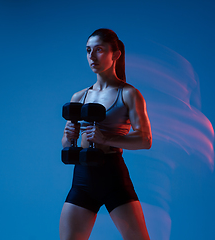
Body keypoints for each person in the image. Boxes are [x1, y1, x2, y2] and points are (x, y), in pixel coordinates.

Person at [60, 28, 152, 240]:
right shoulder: (79, 96)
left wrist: (106, 139)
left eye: (99, 50)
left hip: (112, 176)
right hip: (82, 179)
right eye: (88, 50)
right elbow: (66, 143)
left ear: (115, 54)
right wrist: (69, 135)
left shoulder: (129, 94)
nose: (92, 57)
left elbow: (145, 140)